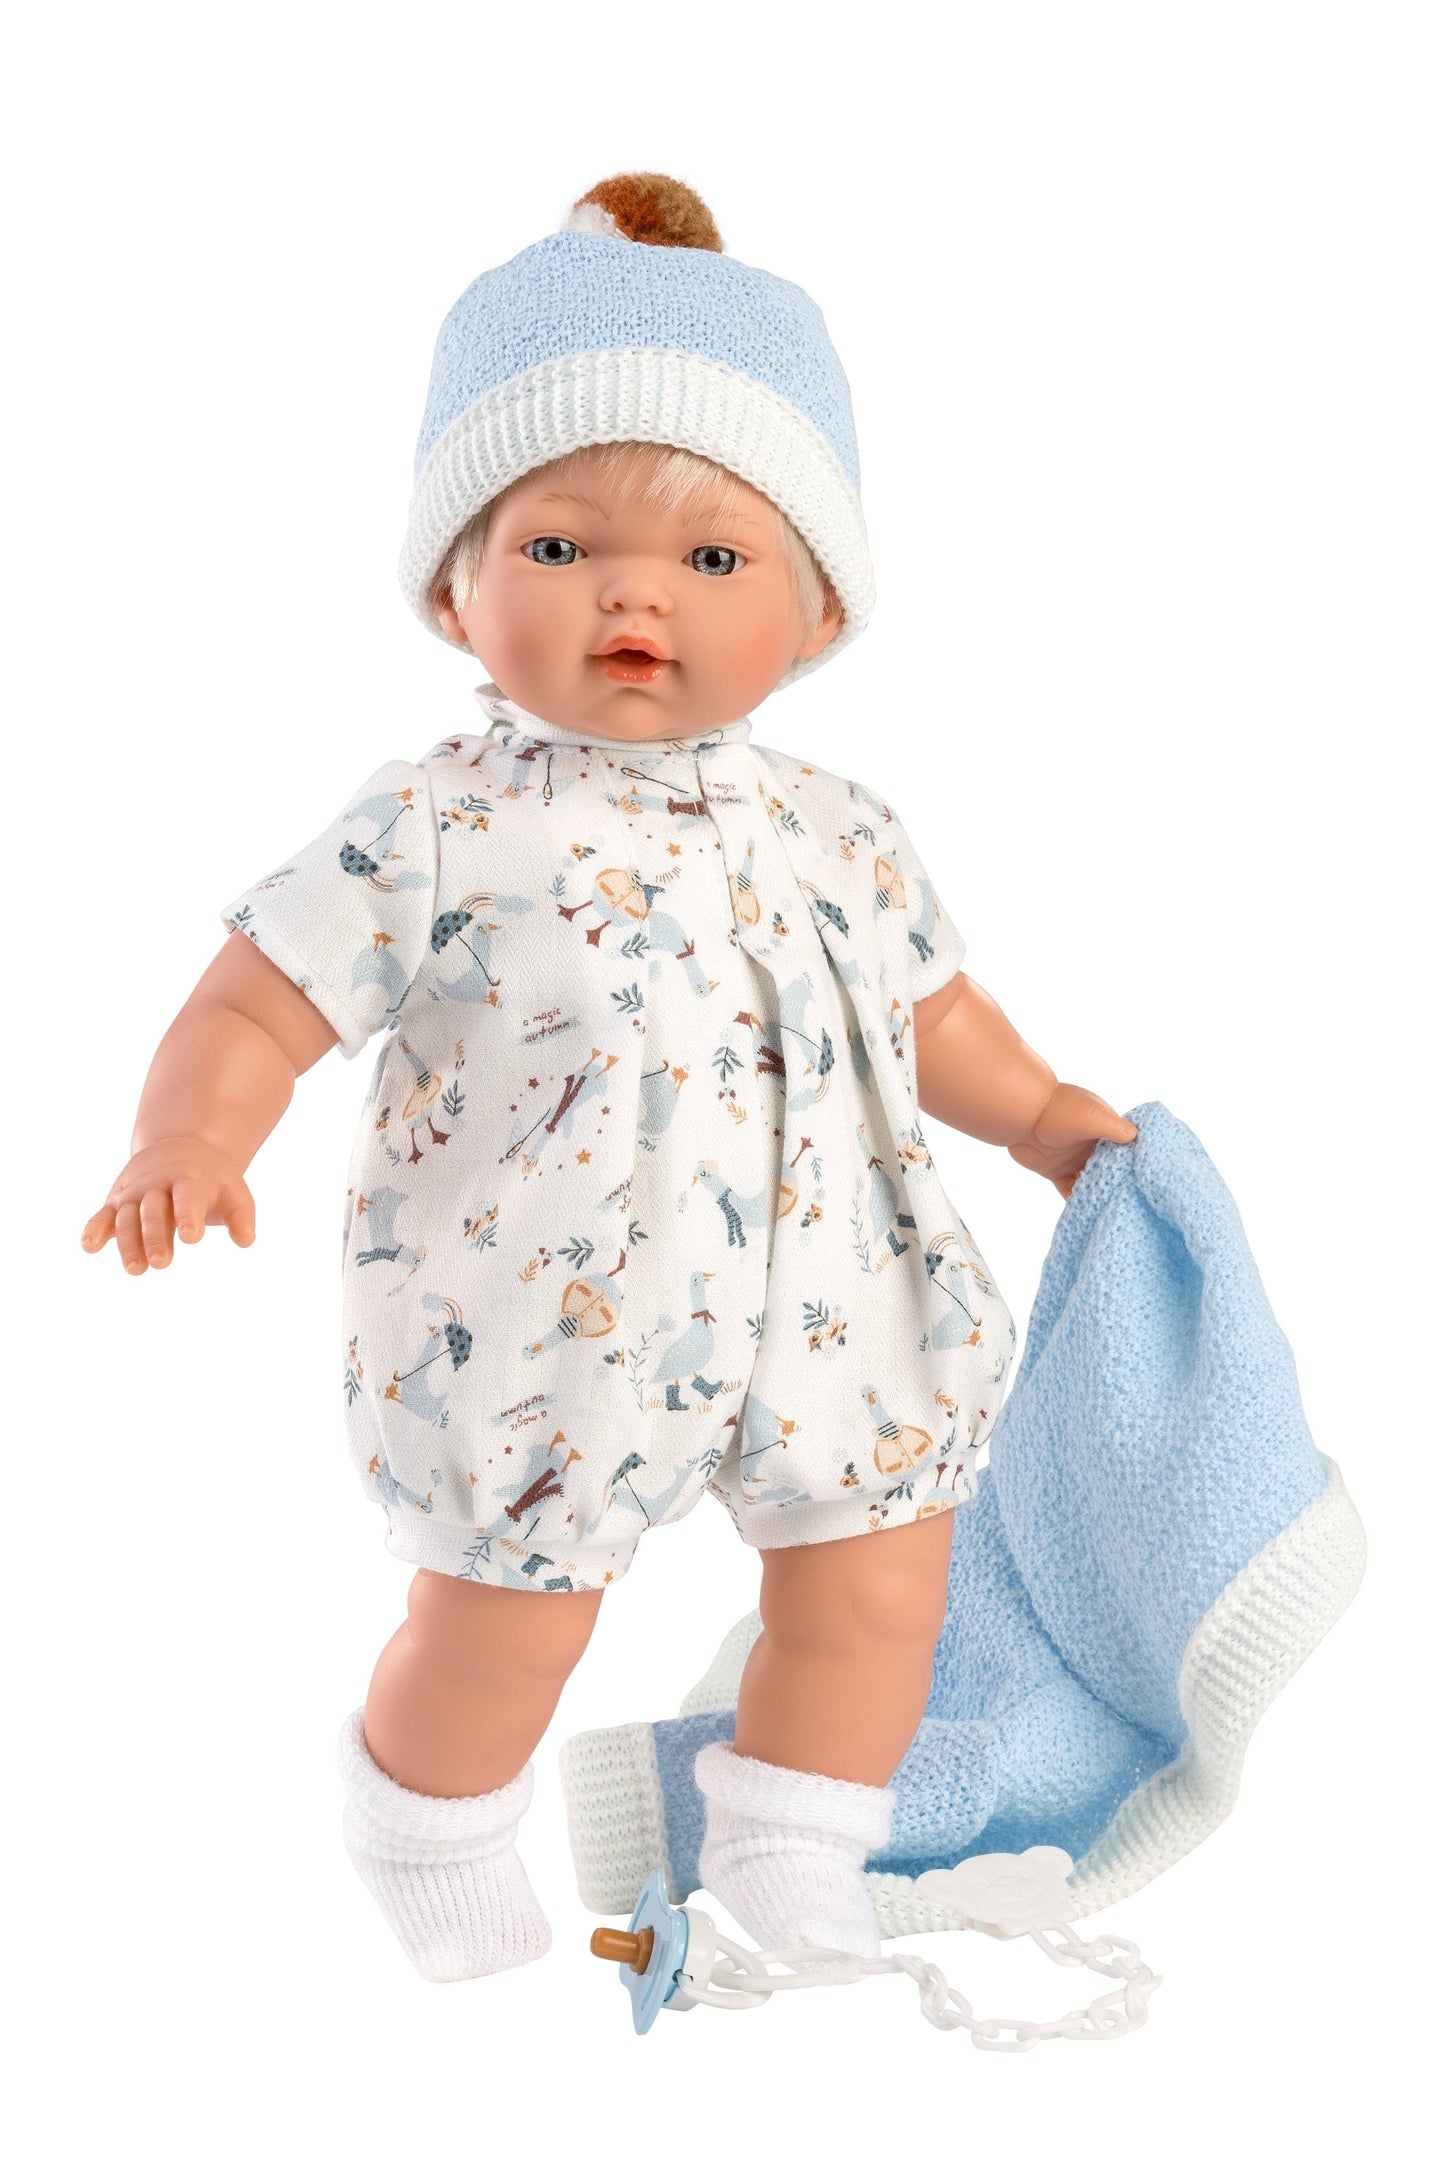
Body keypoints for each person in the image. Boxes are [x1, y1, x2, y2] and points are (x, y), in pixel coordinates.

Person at [82, 172, 1135, 1983]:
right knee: (508, 1624)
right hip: (545, 1326)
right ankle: (423, 1824)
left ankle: (795, 1843)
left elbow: (929, 1011)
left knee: (876, 1592)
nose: (635, 593)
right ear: (457, 588)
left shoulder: (842, 828)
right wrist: (187, 1130)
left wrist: (1039, 1117)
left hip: (842, 1301)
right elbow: (257, 1002)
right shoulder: (435, 823)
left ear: (814, 612)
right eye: (560, 549)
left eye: (714, 561)